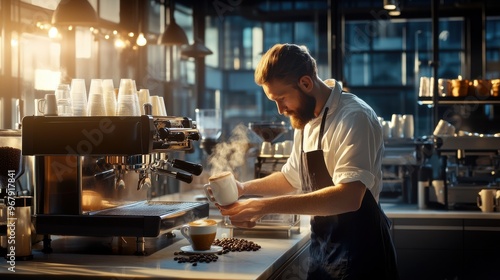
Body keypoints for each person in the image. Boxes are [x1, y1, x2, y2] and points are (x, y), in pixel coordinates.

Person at [217, 43, 399, 279]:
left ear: (305, 83)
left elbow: (349, 197)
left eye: (281, 98)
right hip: (323, 251)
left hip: (362, 253)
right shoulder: (305, 120)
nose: (280, 109)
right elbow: (290, 177)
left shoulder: (354, 116)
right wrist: (243, 189)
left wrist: (262, 207)